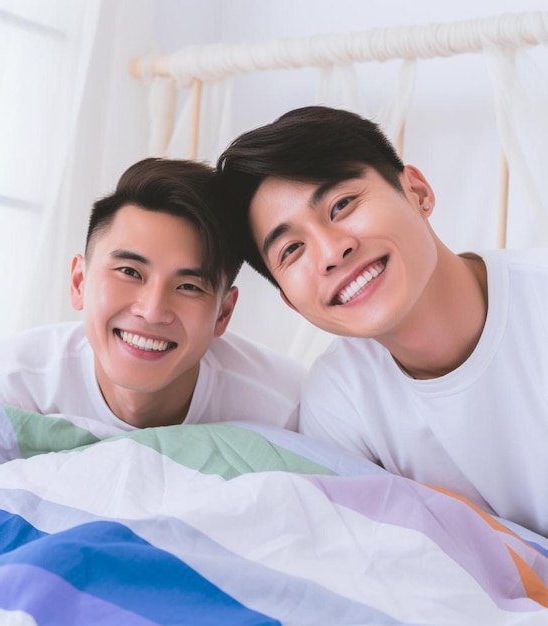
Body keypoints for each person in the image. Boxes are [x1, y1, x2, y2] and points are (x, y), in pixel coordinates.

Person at [216, 105, 548, 536]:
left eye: (342, 205)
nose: (332, 252)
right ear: (293, 304)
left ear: (417, 192)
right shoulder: (339, 402)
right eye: (292, 250)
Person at [0, 157, 305, 431]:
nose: (152, 311)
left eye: (188, 287)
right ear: (79, 283)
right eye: (129, 272)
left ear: (223, 314)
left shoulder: (283, 407)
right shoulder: (9, 382)